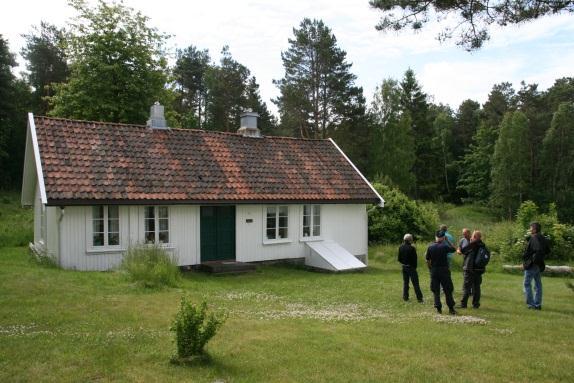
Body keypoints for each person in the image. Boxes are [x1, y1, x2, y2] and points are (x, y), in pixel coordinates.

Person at [425, 230, 457, 315]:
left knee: (436, 290)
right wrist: (448, 241)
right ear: (443, 238)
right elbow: (454, 249)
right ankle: (451, 309)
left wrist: (430, 269)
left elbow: (427, 260)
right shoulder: (444, 246)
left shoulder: (430, 247)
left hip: (434, 270)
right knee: (448, 290)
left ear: (435, 237)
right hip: (444, 270)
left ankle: (438, 308)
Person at [523, 222, 550, 310]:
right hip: (539, 264)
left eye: (530, 228)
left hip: (533, 264)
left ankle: (531, 304)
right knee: (538, 285)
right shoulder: (542, 238)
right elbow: (548, 250)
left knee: (527, 284)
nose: (530, 229)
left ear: (534, 229)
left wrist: (533, 261)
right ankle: (538, 304)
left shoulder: (534, 237)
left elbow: (538, 250)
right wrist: (539, 260)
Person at [460, 230, 486, 309]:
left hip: (470, 269)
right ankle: (476, 304)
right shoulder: (483, 245)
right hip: (479, 270)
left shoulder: (472, 244)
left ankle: (463, 304)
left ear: (474, 237)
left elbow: (463, 250)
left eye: (472, 236)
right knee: (477, 287)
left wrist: (471, 242)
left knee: (466, 287)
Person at [398, 234, 423, 303]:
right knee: (415, 284)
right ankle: (419, 299)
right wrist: (414, 267)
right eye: (411, 239)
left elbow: (399, 259)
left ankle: (405, 297)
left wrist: (404, 263)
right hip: (411, 267)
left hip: (404, 267)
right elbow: (415, 260)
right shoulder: (412, 248)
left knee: (406, 283)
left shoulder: (400, 247)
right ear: (410, 240)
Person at [457, 228, 472, 295]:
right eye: (463, 234)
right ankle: (465, 289)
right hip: (465, 260)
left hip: (472, 261)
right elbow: (459, 248)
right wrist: (458, 251)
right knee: (465, 274)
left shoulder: (473, 240)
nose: (464, 235)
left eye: (465, 234)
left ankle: (471, 290)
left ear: (469, 233)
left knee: (471, 275)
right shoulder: (462, 240)